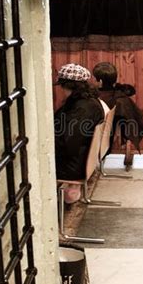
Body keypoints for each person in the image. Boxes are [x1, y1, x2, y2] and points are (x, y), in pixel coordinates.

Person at [54, 63, 104, 203]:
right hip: (82, 160)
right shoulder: (90, 102)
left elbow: (69, 144)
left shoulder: (81, 108)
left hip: (72, 166)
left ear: (66, 85)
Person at [92, 62, 143, 165]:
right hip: (104, 145)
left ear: (100, 82)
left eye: (93, 78)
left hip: (93, 144)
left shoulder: (94, 99)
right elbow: (141, 121)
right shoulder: (120, 98)